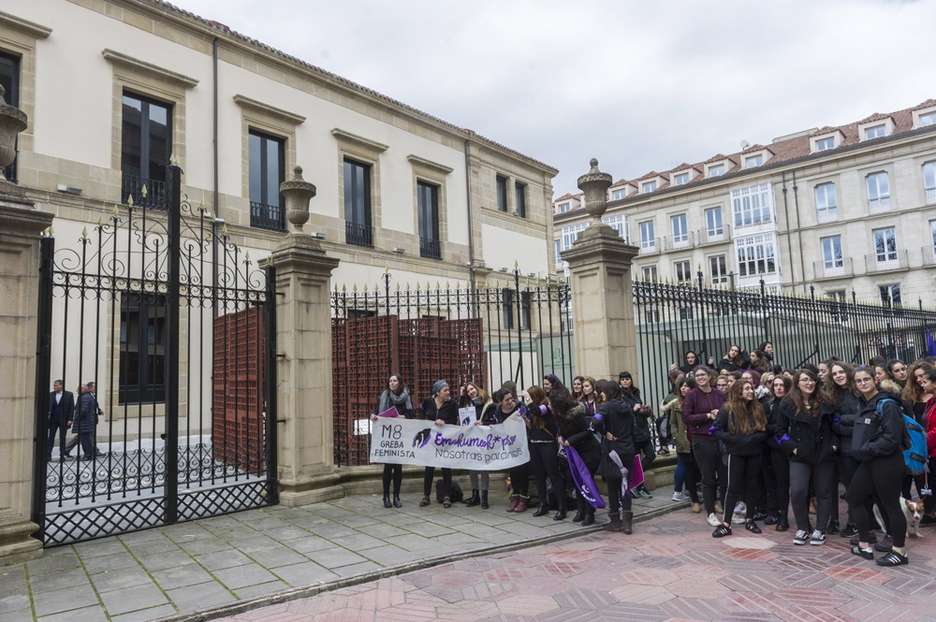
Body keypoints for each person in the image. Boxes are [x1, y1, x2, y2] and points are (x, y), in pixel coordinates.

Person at [847, 366, 910, 566]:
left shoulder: (887, 404)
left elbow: (892, 438)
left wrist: (866, 450)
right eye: (858, 381)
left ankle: (900, 552)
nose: (863, 383)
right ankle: (864, 544)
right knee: (854, 497)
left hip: (888, 461)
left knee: (891, 505)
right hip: (870, 461)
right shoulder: (864, 403)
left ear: (875, 379)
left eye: (866, 379)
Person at [775, 369, 838, 546]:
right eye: (804, 380)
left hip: (824, 452)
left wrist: (834, 445)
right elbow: (779, 432)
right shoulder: (787, 403)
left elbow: (836, 426)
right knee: (797, 491)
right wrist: (792, 448)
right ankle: (802, 527)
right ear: (797, 383)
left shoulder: (826, 402)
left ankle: (820, 529)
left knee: (824, 492)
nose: (809, 383)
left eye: (812, 380)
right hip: (800, 454)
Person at [710, 379, 768, 537]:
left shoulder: (758, 408)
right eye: (747, 389)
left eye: (752, 388)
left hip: (754, 454)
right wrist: (733, 439)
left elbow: (765, 430)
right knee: (732, 487)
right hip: (735, 454)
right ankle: (726, 524)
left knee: (752, 486)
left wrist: (755, 438)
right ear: (738, 391)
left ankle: (750, 519)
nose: (751, 391)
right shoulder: (727, 408)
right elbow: (714, 430)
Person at [682, 366, 728, 528]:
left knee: (724, 477)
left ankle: (728, 512)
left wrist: (720, 414)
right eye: (697, 375)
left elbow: (729, 413)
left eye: (703, 375)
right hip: (702, 440)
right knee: (708, 478)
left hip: (721, 439)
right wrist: (708, 415)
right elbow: (687, 417)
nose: (700, 377)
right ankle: (711, 512)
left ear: (710, 376)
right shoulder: (691, 395)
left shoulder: (720, 394)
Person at [552, 387, 602, 526]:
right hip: (575, 452)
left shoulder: (576, 412)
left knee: (587, 482)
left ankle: (589, 513)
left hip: (588, 451)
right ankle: (581, 510)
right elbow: (561, 428)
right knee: (577, 481)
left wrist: (571, 440)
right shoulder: (560, 413)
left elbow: (588, 431)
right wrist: (560, 436)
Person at [826, 362, 864, 539]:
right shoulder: (833, 395)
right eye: (834, 374)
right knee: (851, 488)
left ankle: (865, 522)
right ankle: (854, 522)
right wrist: (851, 425)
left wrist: (846, 421)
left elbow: (864, 419)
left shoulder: (860, 390)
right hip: (845, 449)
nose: (839, 376)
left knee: (865, 487)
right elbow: (834, 423)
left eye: (841, 372)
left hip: (865, 446)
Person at [593, 379, 637, 533]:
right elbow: (633, 428)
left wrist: (605, 433)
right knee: (626, 484)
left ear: (609, 392)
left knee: (612, 486)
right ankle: (627, 524)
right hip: (628, 449)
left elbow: (594, 422)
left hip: (613, 451)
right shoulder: (628, 406)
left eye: (602, 392)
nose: (601, 395)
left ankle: (615, 522)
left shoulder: (606, 407)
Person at [369, 373, 413, 508]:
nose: (392, 383)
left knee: (398, 468)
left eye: (394, 381)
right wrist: (372, 415)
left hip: (400, 436)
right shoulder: (384, 396)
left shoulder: (406, 396)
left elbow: (411, 413)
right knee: (388, 467)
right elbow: (376, 411)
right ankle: (386, 497)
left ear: (399, 382)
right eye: (390, 381)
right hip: (387, 436)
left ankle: (396, 496)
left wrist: (404, 416)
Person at [525, 385, 566, 520]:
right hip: (535, 445)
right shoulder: (534, 408)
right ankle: (543, 504)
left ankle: (562, 507)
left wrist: (527, 398)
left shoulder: (545, 405)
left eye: (530, 396)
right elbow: (532, 425)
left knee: (553, 476)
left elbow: (538, 412)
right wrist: (524, 418)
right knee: (539, 476)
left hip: (547, 445)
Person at [485, 388, 528, 512]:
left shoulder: (520, 407)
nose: (510, 401)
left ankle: (523, 500)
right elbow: (498, 425)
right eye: (506, 400)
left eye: (511, 398)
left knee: (522, 472)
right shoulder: (498, 411)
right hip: (509, 445)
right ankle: (515, 499)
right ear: (500, 402)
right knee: (513, 472)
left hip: (521, 444)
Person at [416, 380, 458, 508]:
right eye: (445, 390)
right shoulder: (428, 401)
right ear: (437, 392)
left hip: (444, 439)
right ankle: (426, 495)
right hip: (431, 439)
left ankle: (447, 496)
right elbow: (421, 410)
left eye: (448, 390)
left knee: (446, 467)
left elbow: (453, 419)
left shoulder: (452, 404)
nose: (448, 393)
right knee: (429, 467)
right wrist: (426, 422)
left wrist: (444, 422)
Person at [764, 374, 792, 530]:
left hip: (788, 448)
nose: (778, 388)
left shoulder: (792, 404)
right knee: (771, 482)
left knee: (783, 484)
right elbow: (763, 426)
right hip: (772, 448)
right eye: (776, 385)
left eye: (781, 385)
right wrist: (777, 430)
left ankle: (783, 515)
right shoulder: (769, 405)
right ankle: (772, 511)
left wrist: (778, 430)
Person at [619, 371, 654, 498]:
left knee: (651, 455)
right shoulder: (620, 396)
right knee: (637, 460)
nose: (625, 381)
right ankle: (639, 485)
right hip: (633, 432)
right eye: (623, 380)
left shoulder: (635, 392)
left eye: (627, 379)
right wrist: (632, 410)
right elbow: (623, 413)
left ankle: (635, 480)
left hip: (643, 429)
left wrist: (645, 409)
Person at [458, 382, 492, 508]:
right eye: (468, 391)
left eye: (472, 389)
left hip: (483, 439)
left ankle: (484, 497)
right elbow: (459, 413)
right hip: (471, 439)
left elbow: (494, 420)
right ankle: (475, 495)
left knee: (484, 468)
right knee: (472, 467)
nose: (471, 392)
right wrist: (461, 396)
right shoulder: (468, 404)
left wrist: (483, 422)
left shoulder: (488, 403)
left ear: (477, 388)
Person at [667, 379, 699, 510]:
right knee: (686, 467)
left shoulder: (698, 402)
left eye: (686, 386)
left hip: (697, 440)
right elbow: (673, 423)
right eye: (681, 386)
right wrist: (677, 436)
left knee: (697, 468)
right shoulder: (676, 404)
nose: (683, 389)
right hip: (683, 441)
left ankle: (694, 490)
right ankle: (683, 493)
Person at [47, 380, 75, 462]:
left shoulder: (69, 395)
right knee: (51, 437)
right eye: (54, 385)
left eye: (56, 385)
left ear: (61, 386)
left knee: (62, 438)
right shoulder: (51, 395)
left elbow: (71, 407)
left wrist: (70, 419)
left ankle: (62, 455)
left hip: (64, 419)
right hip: (53, 419)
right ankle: (48, 455)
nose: (54, 387)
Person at [75, 381, 102, 461]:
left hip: (85, 422)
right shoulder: (86, 396)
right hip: (87, 422)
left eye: (78, 388)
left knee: (85, 440)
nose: (76, 390)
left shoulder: (85, 397)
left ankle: (88, 455)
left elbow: (83, 410)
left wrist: (76, 417)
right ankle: (90, 453)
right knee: (86, 439)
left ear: (83, 389)